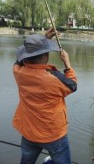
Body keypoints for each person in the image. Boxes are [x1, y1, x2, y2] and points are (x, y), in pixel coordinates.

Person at [12, 28, 77, 164]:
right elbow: (72, 85)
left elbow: (18, 60)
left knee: (27, 161)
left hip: (29, 132)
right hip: (53, 134)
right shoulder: (53, 78)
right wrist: (67, 63)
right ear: (45, 56)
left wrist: (44, 39)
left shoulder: (18, 72)